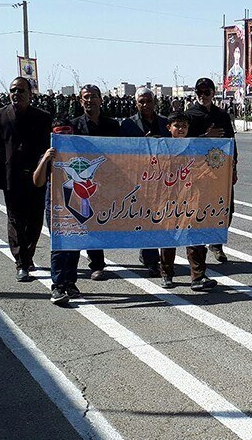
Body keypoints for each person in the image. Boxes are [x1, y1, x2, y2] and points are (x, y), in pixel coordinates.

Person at [0, 77, 52, 283]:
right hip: (11, 177)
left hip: (37, 176)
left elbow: (47, 147)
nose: (16, 94)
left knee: (35, 220)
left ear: (30, 94)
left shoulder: (42, 117)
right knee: (15, 219)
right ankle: (21, 263)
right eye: (13, 90)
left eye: (21, 91)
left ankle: (28, 256)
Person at [154, 111, 217, 291]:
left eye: (184, 126)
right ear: (169, 128)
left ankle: (198, 277)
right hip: (168, 199)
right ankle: (166, 274)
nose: (181, 129)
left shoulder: (195, 147)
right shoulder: (161, 147)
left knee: (194, 237)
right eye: (177, 126)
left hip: (191, 198)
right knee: (169, 238)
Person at [185, 77, 238, 269]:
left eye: (206, 92)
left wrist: (234, 166)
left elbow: (231, 142)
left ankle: (216, 243)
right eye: (199, 92)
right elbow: (183, 142)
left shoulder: (221, 115)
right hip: (198, 171)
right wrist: (205, 137)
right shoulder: (190, 115)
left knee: (225, 208)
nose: (203, 96)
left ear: (213, 93)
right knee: (199, 209)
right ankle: (198, 252)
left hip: (220, 170)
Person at [70, 84, 120, 282]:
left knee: (101, 221)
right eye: (86, 97)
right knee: (84, 220)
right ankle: (96, 264)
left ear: (101, 99)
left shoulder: (112, 126)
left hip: (107, 179)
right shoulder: (73, 126)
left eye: (93, 96)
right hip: (83, 182)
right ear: (80, 101)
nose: (89, 100)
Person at [120, 87, 170, 277]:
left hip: (163, 178)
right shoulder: (128, 125)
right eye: (141, 101)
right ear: (136, 103)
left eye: (149, 101)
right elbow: (121, 150)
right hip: (139, 179)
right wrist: (143, 144)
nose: (145, 105)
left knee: (162, 218)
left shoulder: (164, 123)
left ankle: (158, 257)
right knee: (147, 219)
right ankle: (151, 260)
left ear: (154, 102)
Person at [33, 119, 81, 305]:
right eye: (60, 134)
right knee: (60, 245)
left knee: (75, 244)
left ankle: (70, 281)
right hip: (56, 204)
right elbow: (37, 181)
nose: (64, 138)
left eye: (68, 134)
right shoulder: (49, 154)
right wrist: (45, 159)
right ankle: (58, 286)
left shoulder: (80, 154)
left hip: (77, 201)